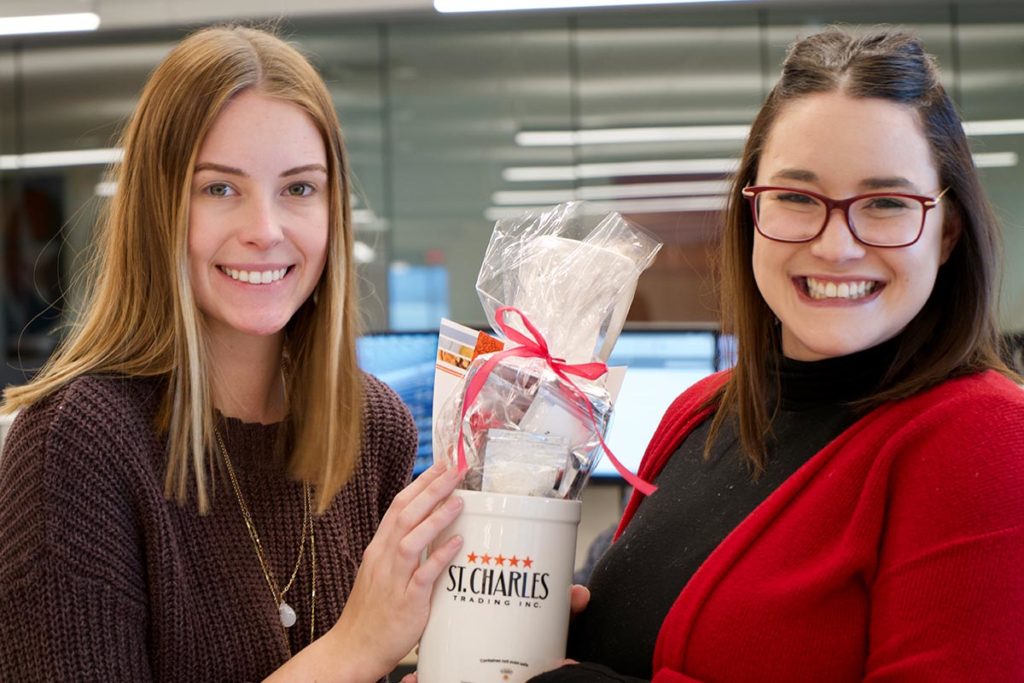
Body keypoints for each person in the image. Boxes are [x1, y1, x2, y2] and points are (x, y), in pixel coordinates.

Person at [531, 28, 1024, 682]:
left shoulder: (987, 438)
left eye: (884, 203)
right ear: (751, 213)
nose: (835, 245)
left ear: (946, 232)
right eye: (796, 197)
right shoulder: (702, 411)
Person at [0, 25, 466, 682]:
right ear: (158, 209)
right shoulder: (74, 442)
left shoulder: (373, 424)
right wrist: (355, 648)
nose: (265, 230)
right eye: (219, 188)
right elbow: (355, 653)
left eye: (299, 188)